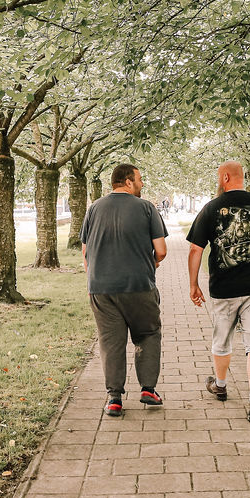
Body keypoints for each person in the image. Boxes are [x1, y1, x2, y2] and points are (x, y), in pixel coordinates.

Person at [187, 161, 250, 421]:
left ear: (225, 177)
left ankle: (220, 385)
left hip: (224, 288)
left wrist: (193, 284)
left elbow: (195, 249)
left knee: (222, 338)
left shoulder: (211, 208)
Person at [81, 163, 168, 417]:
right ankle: (148, 390)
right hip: (139, 286)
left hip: (101, 289)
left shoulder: (94, 208)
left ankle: (114, 399)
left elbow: (85, 252)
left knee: (111, 342)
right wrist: (151, 264)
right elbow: (161, 250)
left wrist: (95, 279)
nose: (142, 184)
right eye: (139, 179)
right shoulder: (147, 208)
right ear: (128, 182)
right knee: (148, 334)